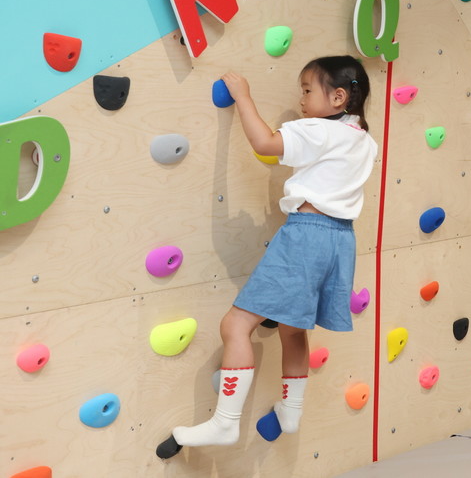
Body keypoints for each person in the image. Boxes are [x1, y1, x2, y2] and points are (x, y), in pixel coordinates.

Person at [157, 55, 378, 459]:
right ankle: (290, 411)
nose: (302, 99)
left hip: (307, 235)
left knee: (235, 325)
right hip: (341, 240)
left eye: (308, 90)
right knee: (293, 329)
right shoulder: (363, 139)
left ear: (339, 97)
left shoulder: (318, 130)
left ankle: (225, 421)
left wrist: (243, 95)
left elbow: (265, 144)